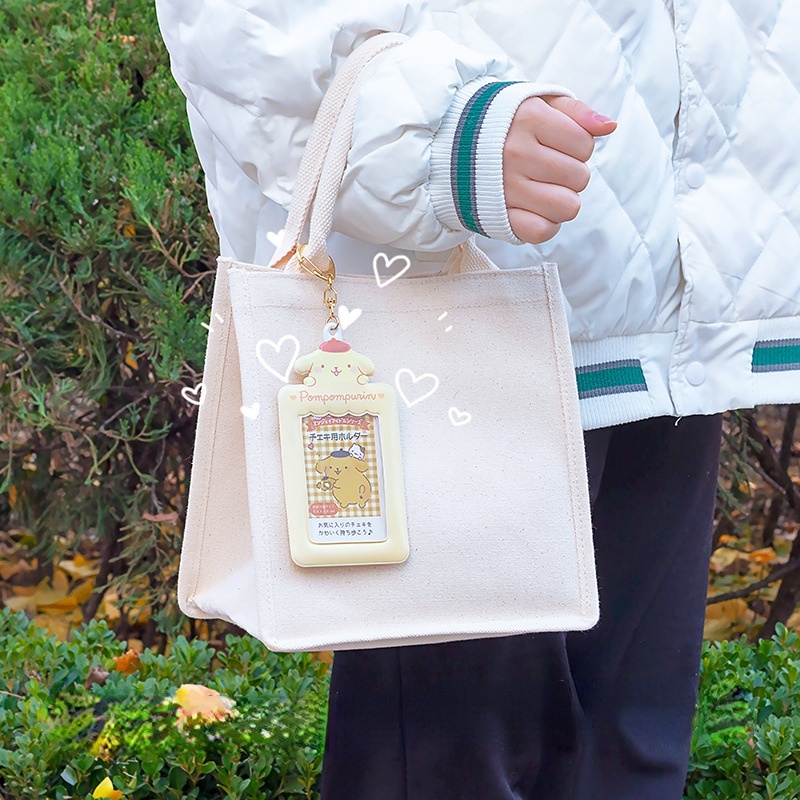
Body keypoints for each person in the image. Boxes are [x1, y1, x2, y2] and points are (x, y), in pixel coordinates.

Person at [155, 1, 800, 797]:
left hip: (671, 314)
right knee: (451, 764)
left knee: (628, 762)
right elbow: (249, 24)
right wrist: (439, 138)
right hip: (445, 309)